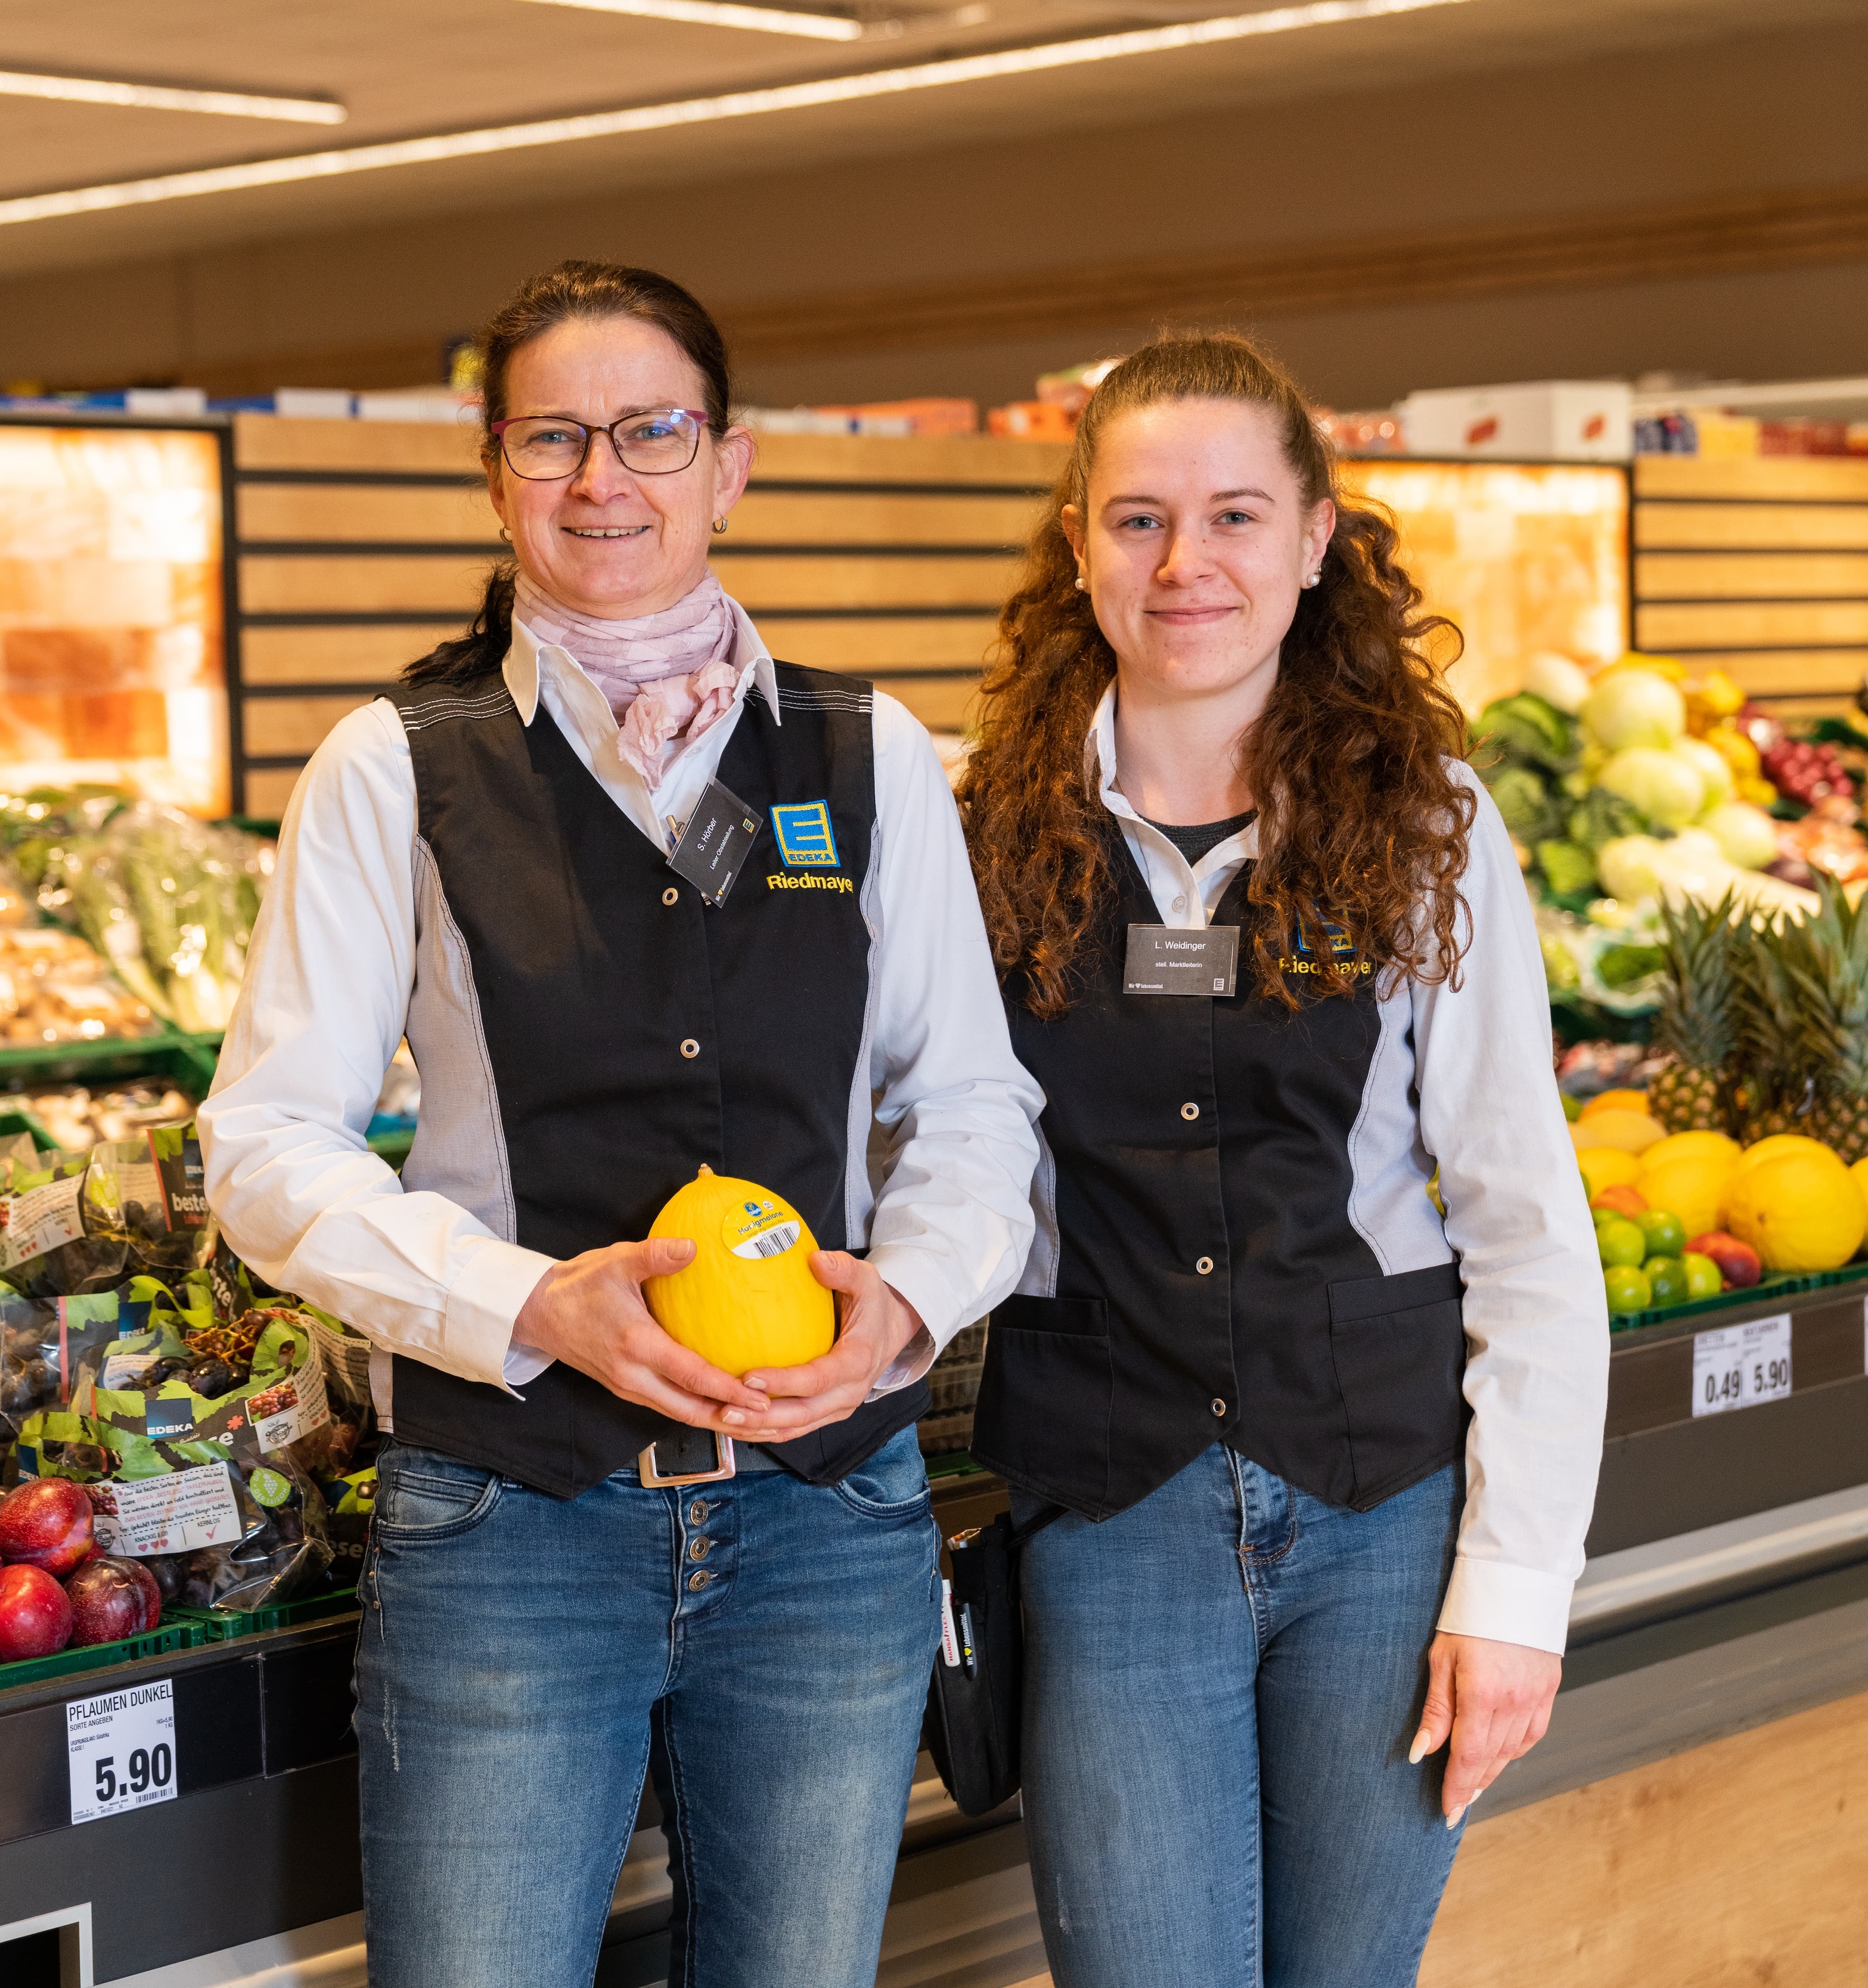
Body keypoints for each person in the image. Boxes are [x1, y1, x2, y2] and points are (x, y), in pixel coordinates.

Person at [201, 260, 1041, 1988]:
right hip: (511, 1525)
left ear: (728, 466)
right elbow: (270, 1141)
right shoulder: (392, 765)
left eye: (652, 433)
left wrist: (906, 1300)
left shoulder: (872, 754)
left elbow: (969, 1099)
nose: (603, 479)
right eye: (553, 438)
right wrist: (526, 1303)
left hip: (826, 1520)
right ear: (494, 473)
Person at [954, 332, 1610, 1988]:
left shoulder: (1430, 823)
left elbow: (1527, 1222)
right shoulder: (973, 831)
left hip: (1382, 1515)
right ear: (1080, 546)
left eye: (1237, 516)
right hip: (1111, 1516)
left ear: (1316, 540)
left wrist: (1516, 1591)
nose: (1187, 563)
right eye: (1140, 520)